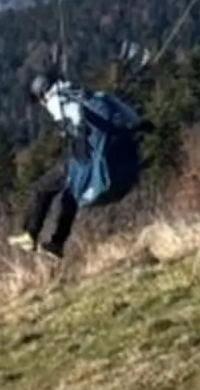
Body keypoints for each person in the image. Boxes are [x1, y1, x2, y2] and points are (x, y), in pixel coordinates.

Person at [11, 74, 143, 258]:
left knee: (42, 188)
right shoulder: (86, 93)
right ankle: (56, 243)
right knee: (70, 195)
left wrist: (75, 128)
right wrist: (138, 123)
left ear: (41, 94)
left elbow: (73, 114)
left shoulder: (55, 99)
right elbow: (122, 109)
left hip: (83, 156)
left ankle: (30, 234)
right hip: (97, 151)